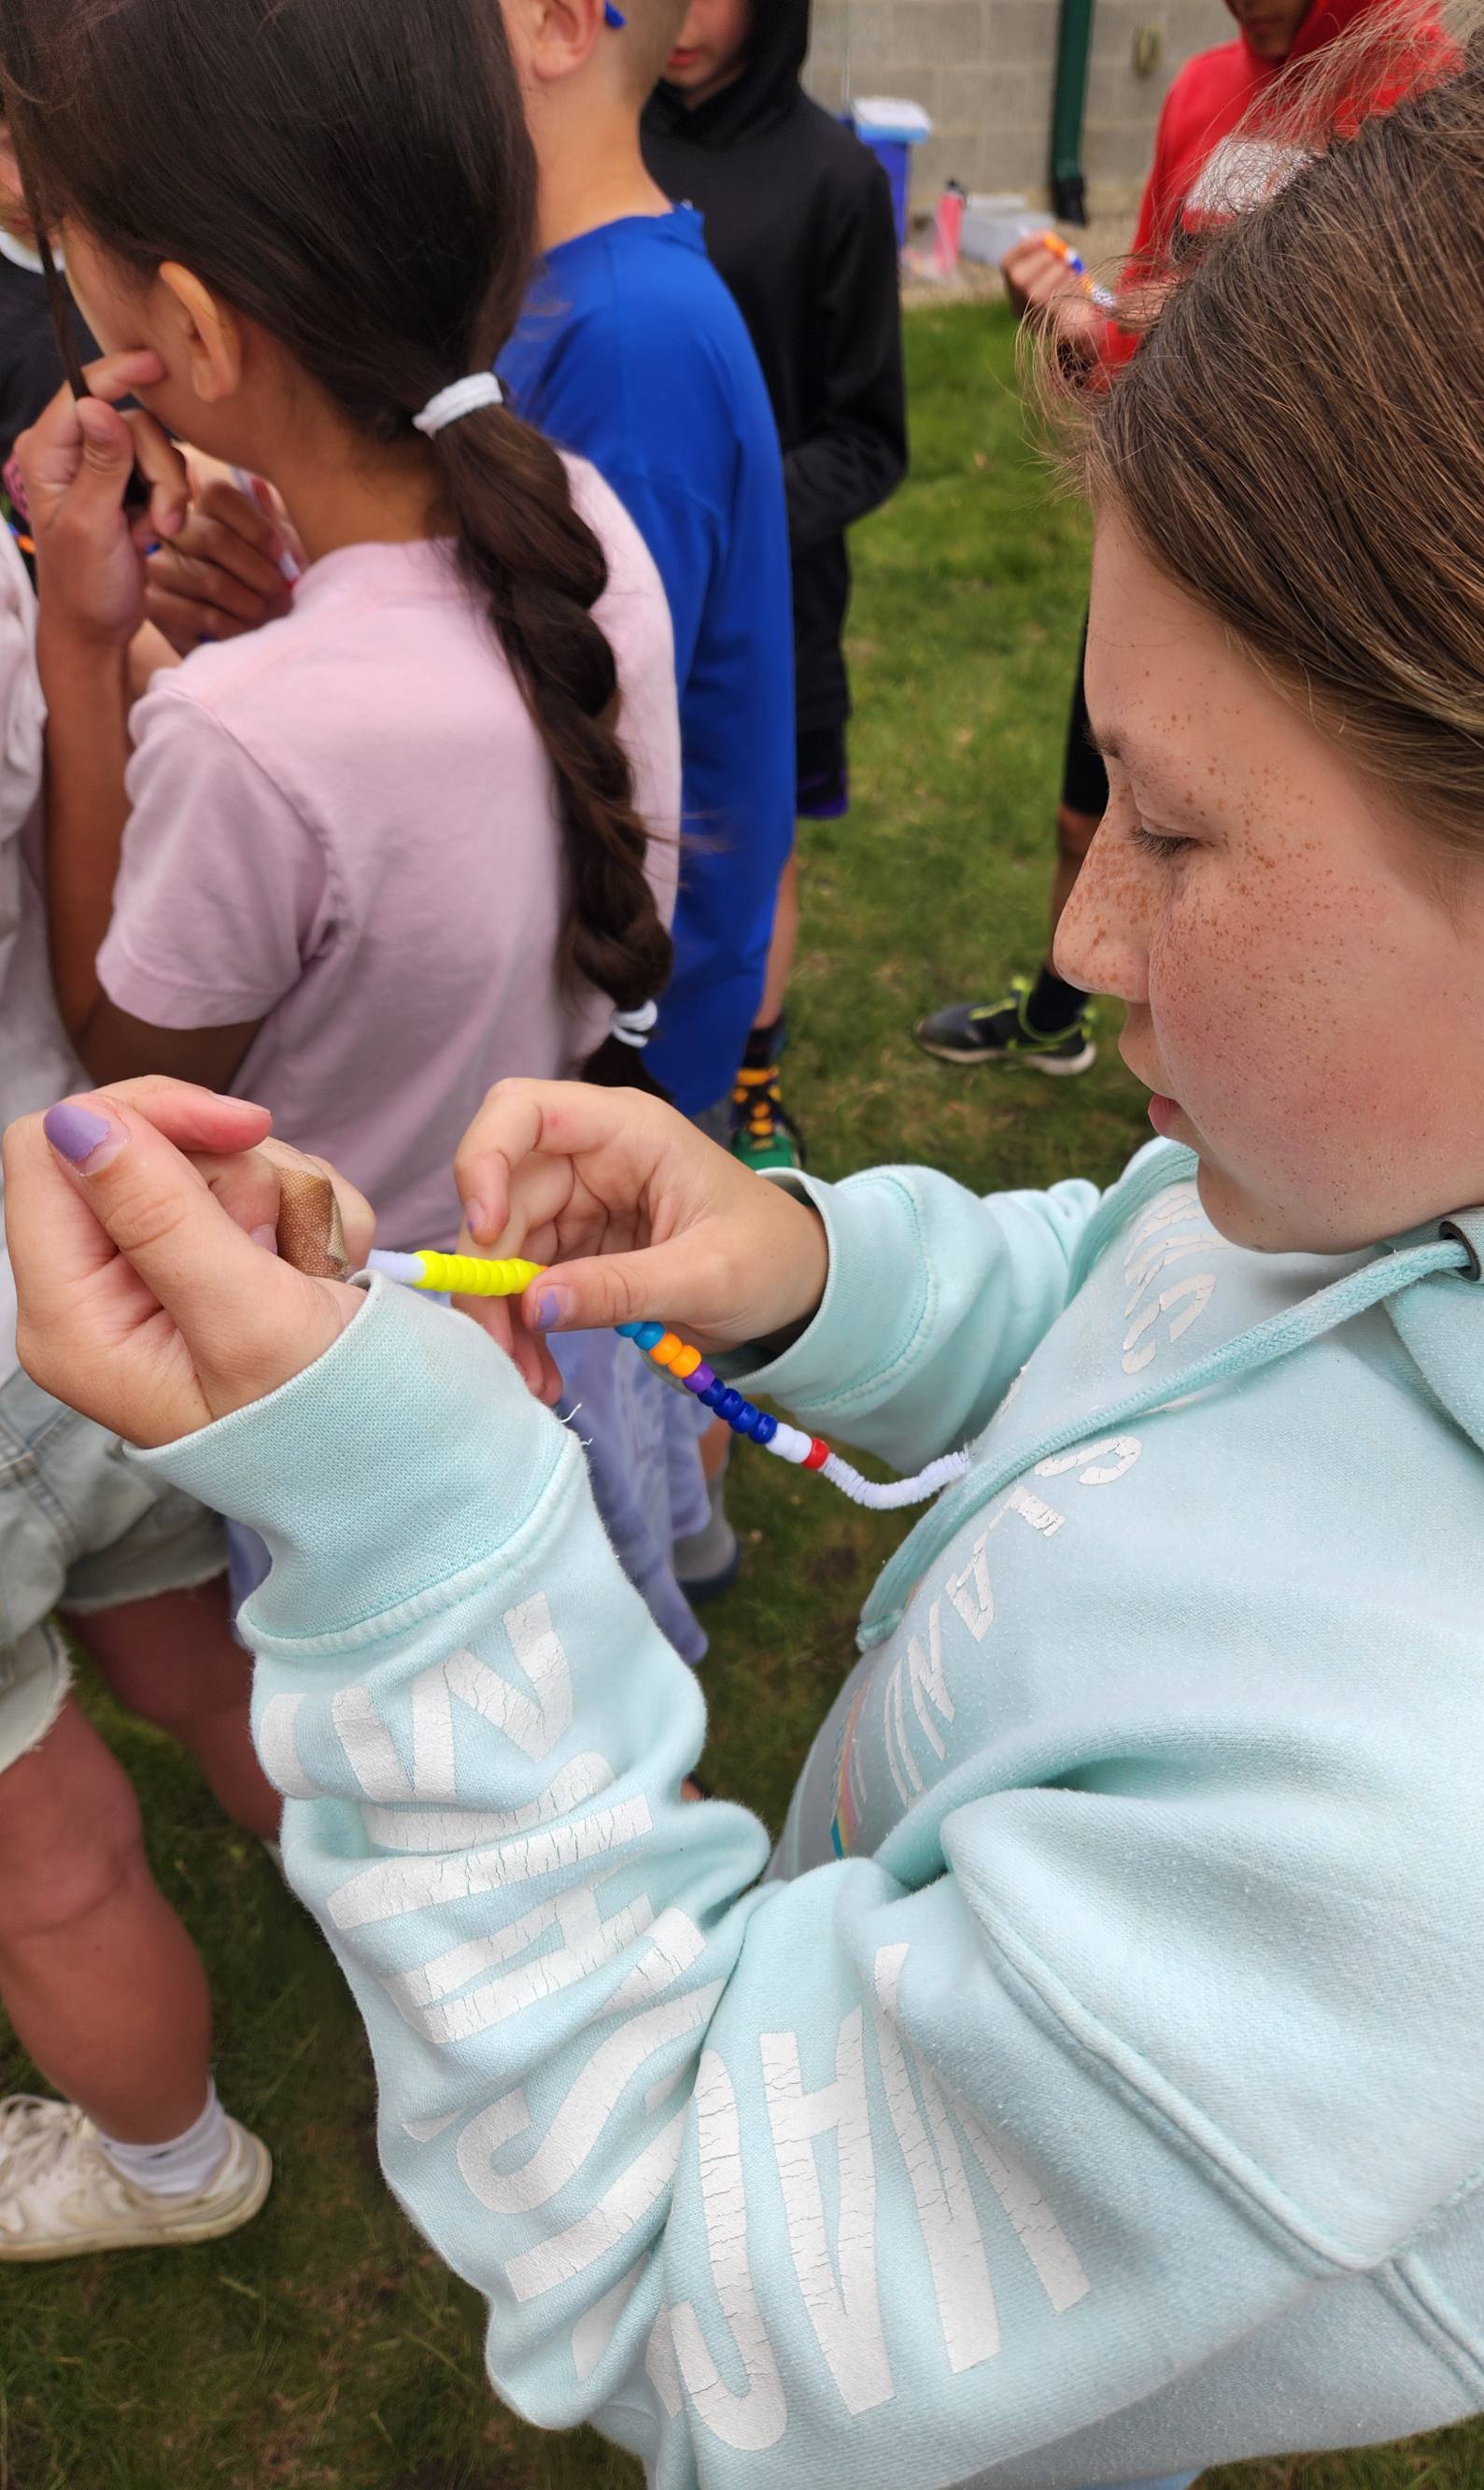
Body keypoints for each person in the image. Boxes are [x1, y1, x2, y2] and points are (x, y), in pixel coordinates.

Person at [12, 0, 1484, 2480]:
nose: (1081, 940)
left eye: (1180, 835)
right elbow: (1145, 1294)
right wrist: (805, 1265)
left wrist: (428, 1522)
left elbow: (691, 2278)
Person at [6, 0, 714, 1661]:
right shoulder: (578, 520)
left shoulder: (249, 733)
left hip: (373, 1369)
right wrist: (286, 615)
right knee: (603, 1681)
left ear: (179, 320)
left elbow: (130, 1070)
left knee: (443, 1760)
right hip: (563, 1282)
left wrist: (82, 644)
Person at [914, 0, 1447, 1077]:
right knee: (1097, 816)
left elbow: (1406, 380)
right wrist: (1086, 336)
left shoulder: (1418, 81)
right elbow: (1142, 320)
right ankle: (1058, 1017)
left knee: (1247, 858)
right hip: (1160, 552)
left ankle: (1228, 1086)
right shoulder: (1201, 87)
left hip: (1301, 582)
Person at [0, 495, 280, 2262]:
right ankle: (407, 1926)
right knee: (201, 1652)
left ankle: (169, 2169)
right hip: (74, 1220)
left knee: (43, 1849)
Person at [499, 0, 796, 1597]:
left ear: (555, 26)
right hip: (620, 990)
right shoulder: (574, 299)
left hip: (625, 995)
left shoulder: (626, 336)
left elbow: (599, 723)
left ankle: (655, 1566)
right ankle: (690, 1498)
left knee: (607, 1334)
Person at [644, 0, 906, 1172]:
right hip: (606, 592)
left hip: (767, 602)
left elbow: (867, 438)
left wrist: (720, 527)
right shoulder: (601, 150)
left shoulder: (834, 176)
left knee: (754, 850)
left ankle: (754, 1086)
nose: (679, 17)